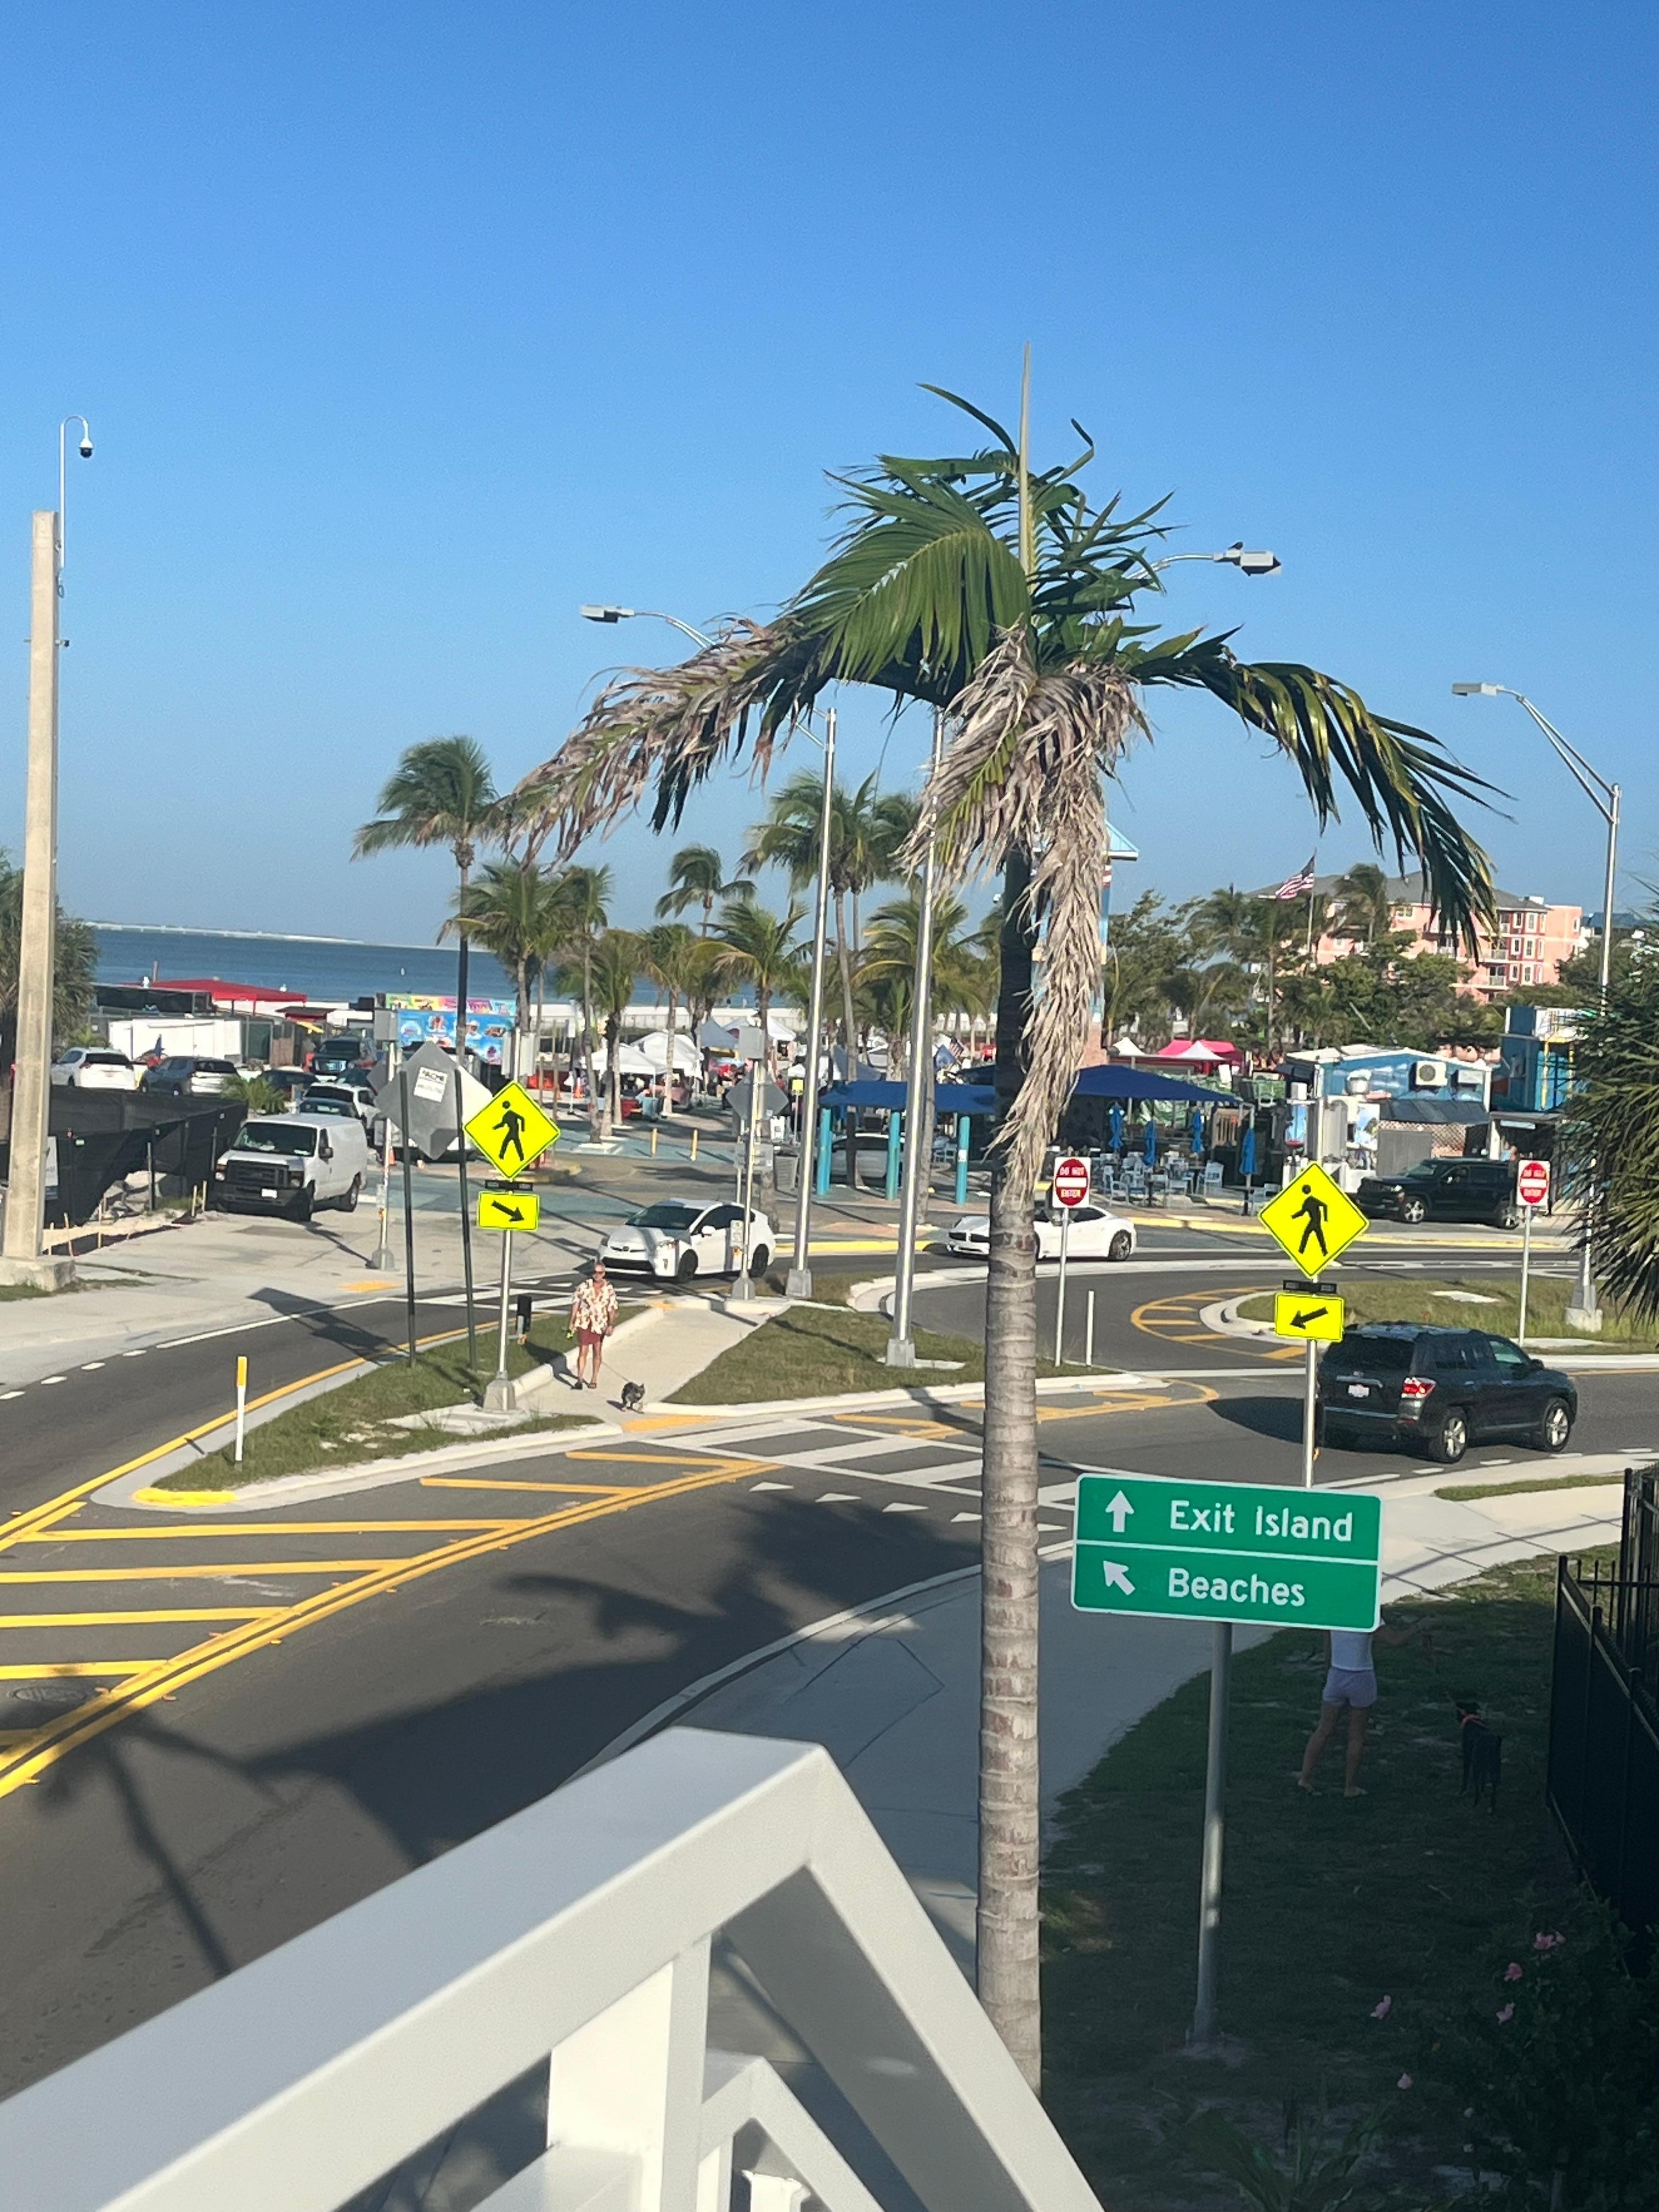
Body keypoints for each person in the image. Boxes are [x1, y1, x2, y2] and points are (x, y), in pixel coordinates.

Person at [1297, 1613, 1424, 1797]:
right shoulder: (1368, 1614)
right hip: (1362, 1677)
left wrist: (1329, 1672)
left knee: (1324, 1729)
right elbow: (1395, 1640)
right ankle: (1350, 1787)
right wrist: (1418, 1627)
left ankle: (1305, 1778)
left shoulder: (1334, 1611)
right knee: (1356, 1736)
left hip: (1337, 1673)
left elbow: (1328, 1646)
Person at [568, 1259, 618, 1392]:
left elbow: (612, 1308)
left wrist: (611, 1324)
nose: (597, 1275)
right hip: (585, 1322)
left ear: (604, 1273)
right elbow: (576, 1303)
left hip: (600, 1324)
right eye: (595, 1272)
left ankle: (594, 1378)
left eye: (600, 1273)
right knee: (583, 1351)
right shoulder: (584, 1286)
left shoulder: (609, 1289)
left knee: (597, 1351)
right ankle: (579, 1379)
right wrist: (572, 1322)